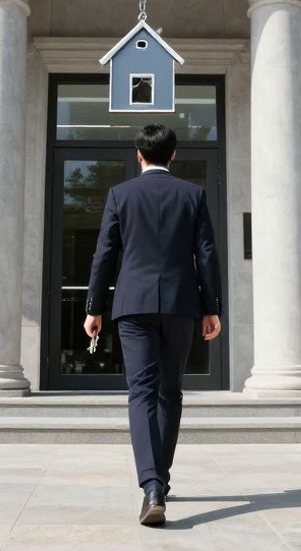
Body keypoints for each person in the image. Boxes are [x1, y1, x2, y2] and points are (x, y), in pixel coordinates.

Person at [84, 123, 223, 527]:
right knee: (170, 392)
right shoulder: (193, 195)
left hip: (133, 305)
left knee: (141, 393)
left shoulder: (120, 195)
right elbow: (207, 255)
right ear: (174, 155)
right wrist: (211, 307)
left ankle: (152, 485)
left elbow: (104, 254)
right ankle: (157, 480)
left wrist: (94, 307)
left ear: (138, 155)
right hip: (181, 304)